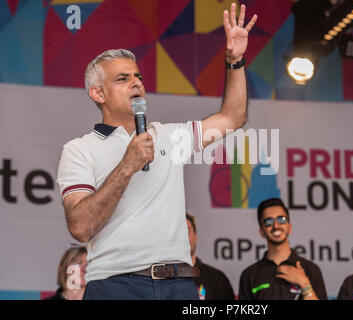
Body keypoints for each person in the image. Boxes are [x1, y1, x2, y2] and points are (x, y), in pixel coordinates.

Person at [56, 3, 257, 300]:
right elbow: (80, 227)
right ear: (98, 94)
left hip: (178, 284)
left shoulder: (169, 136)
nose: (136, 82)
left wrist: (235, 60)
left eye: (137, 76)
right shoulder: (79, 149)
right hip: (115, 284)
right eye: (122, 78)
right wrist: (128, 164)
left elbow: (233, 117)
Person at [238, 198, 328, 300]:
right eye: (269, 222)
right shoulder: (250, 275)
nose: (276, 226)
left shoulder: (310, 270)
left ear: (289, 227)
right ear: (261, 231)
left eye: (281, 220)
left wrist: (304, 284)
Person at [186, 213, 235, 300]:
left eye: (187, 231)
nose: (183, 237)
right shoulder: (160, 278)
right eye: (178, 233)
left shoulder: (217, 278)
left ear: (195, 236)